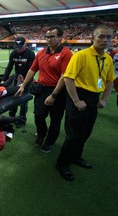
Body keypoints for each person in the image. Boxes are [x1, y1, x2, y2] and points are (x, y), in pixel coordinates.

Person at [56, 25, 115, 181]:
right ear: (92, 38)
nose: (105, 40)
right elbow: (68, 78)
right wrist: (76, 100)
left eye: (108, 37)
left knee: (86, 132)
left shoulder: (108, 58)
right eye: (101, 36)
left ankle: (76, 156)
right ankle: (62, 163)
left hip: (94, 98)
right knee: (74, 134)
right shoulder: (81, 55)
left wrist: (103, 99)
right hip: (78, 96)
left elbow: (109, 81)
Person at [15, 27, 73, 153]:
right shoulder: (41, 53)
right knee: (39, 115)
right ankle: (42, 134)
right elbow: (32, 70)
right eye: (47, 37)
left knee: (55, 119)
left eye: (52, 36)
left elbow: (65, 76)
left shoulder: (66, 53)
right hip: (41, 89)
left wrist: (54, 95)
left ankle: (50, 141)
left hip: (58, 91)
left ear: (60, 38)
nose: (49, 39)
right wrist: (23, 85)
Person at [1, 37, 35, 128]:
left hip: (26, 79)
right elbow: (9, 67)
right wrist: (3, 80)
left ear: (25, 45)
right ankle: (12, 117)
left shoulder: (30, 54)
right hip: (16, 78)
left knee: (23, 100)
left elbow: (31, 70)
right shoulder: (13, 53)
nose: (18, 49)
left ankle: (22, 119)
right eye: (17, 47)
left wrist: (24, 83)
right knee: (13, 98)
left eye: (20, 47)